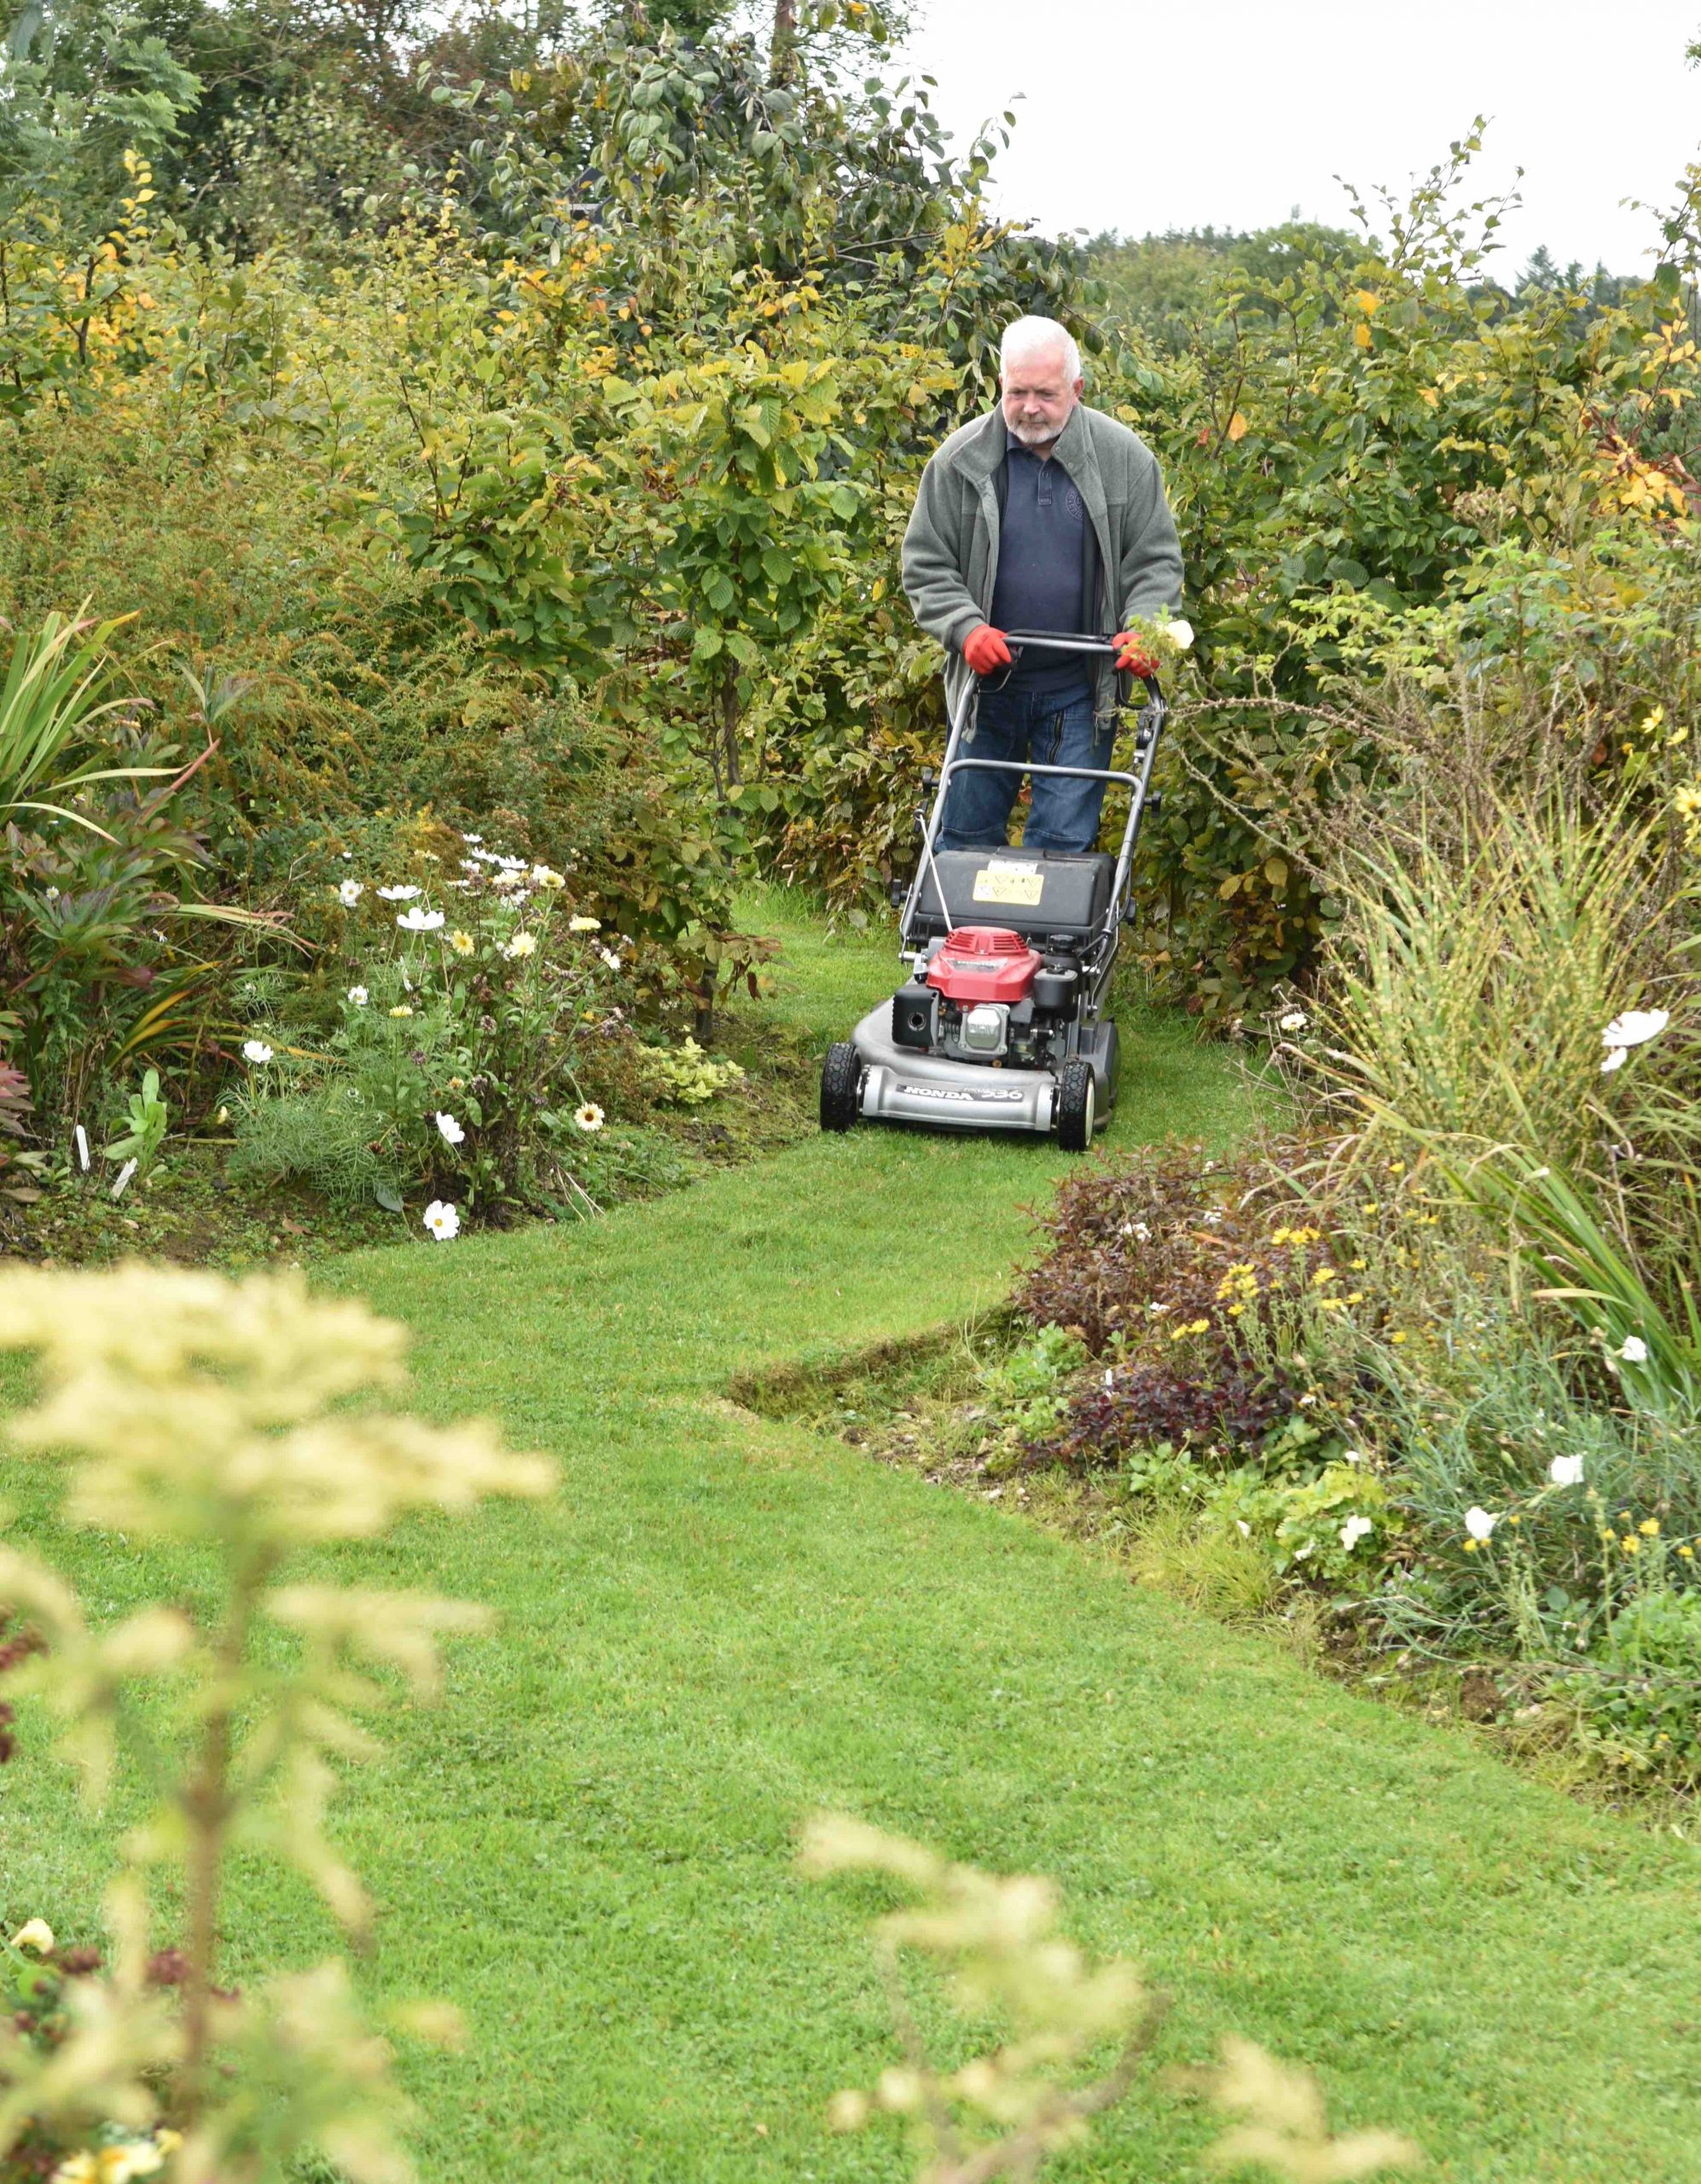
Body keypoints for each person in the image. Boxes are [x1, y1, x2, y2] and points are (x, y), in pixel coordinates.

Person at [900, 315, 1183, 854]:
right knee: (963, 838)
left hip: (1080, 688)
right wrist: (965, 629)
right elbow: (926, 562)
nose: (1030, 407)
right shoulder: (958, 461)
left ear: (1076, 389)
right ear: (1000, 385)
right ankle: (966, 939)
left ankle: (1045, 942)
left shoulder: (1125, 460)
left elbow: (1156, 562)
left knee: (1061, 843)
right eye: (1018, 392)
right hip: (987, 689)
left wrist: (1146, 630)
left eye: (1046, 394)